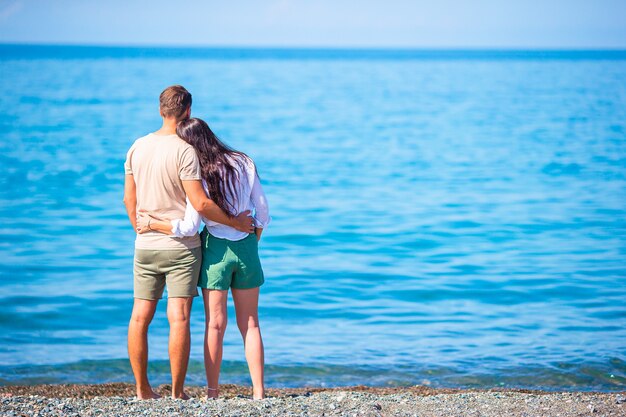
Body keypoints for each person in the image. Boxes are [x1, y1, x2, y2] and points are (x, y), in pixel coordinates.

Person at [123, 86, 255, 400]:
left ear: (160, 110)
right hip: (181, 248)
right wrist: (236, 222)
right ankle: (178, 392)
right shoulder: (185, 150)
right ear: (188, 112)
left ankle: (142, 390)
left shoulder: (137, 147)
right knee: (178, 317)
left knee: (140, 316)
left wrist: (141, 230)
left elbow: (129, 198)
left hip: (145, 244)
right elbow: (200, 203)